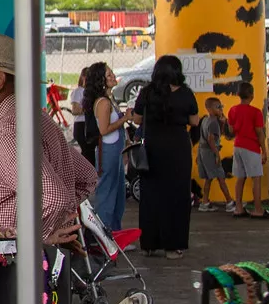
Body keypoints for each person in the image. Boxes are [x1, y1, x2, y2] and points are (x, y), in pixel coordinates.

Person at [0, 32, 96, 243]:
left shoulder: (8, 130)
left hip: (5, 268)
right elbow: (86, 177)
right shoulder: (32, 116)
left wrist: (35, 238)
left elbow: (53, 198)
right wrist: (53, 227)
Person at [132, 55, 199, 258]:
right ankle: (173, 246)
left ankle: (150, 244)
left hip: (152, 149)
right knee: (176, 196)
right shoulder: (186, 93)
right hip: (177, 149)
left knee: (151, 196)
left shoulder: (147, 92)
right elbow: (194, 121)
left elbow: (136, 119)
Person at [79, 62, 126, 232]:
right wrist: (124, 119)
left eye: (112, 73)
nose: (113, 76)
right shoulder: (103, 103)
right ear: (101, 80)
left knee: (118, 194)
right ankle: (103, 237)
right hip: (109, 151)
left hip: (115, 151)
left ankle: (114, 233)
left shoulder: (109, 100)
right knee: (108, 194)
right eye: (108, 75)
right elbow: (104, 130)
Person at [228, 81, 269, 219]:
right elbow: (259, 132)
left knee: (240, 177)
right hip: (251, 147)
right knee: (256, 178)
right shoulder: (256, 112)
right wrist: (264, 151)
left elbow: (230, 130)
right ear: (252, 95)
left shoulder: (233, 110)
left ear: (238, 94)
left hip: (238, 145)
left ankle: (238, 208)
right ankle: (258, 209)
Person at [196, 96, 233, 210]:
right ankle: (230, 202)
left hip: (203, 151)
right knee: (221, 177)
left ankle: (205, 202)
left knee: (209, 178)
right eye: (218, 107)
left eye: (221, 106)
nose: (221, 109)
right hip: (210, 152)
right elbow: (211, 139)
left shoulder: (206, 120)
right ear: (210, 109)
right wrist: (217, 154)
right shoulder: (213, 123)